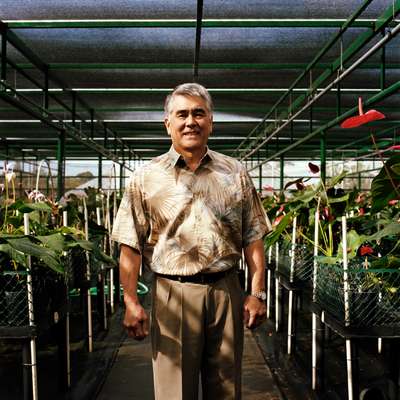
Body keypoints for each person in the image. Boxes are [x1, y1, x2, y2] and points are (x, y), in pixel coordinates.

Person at [112, 82, 271, 400]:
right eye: (181, 114)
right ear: (167, 124)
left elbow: (253, 239)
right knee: (174, 391)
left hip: (225, 290)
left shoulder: (235, 172)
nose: (190, 121)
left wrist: (257, 294)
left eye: (199, 113)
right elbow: (129, 246)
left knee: (226, 389)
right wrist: (130, 301)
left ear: (211, 121)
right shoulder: (146, 177)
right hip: (172, 292)